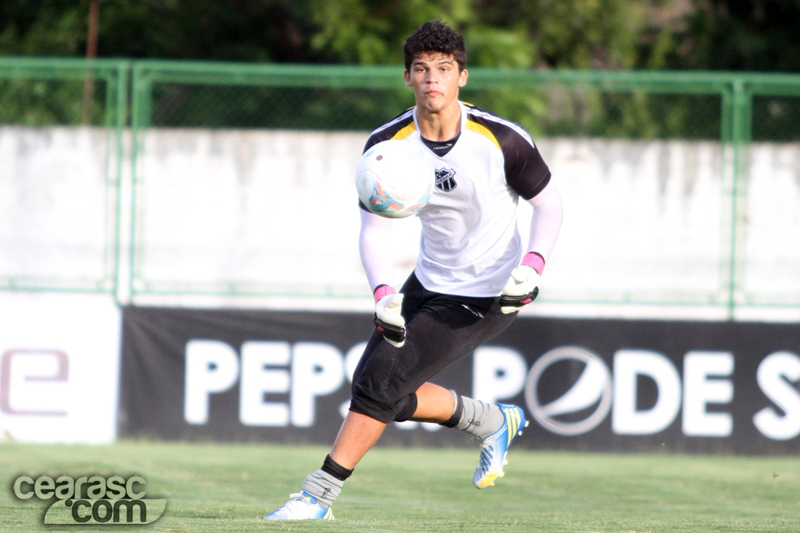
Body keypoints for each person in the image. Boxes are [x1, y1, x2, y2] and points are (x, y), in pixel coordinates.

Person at [265, 19, 563, 521]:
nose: (432, 79)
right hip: (426, 281)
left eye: (444, 69)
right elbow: (374, 230)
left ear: (462, 77)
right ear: (407, 78)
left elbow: (551, 207)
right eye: (422, 69)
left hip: (490, 292)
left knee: (380, 386)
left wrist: (532, 268)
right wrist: (383, 293)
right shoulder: (387, 146)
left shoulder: (502, 140)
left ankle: (317, 497)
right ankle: (491, 421)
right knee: (372, 386)